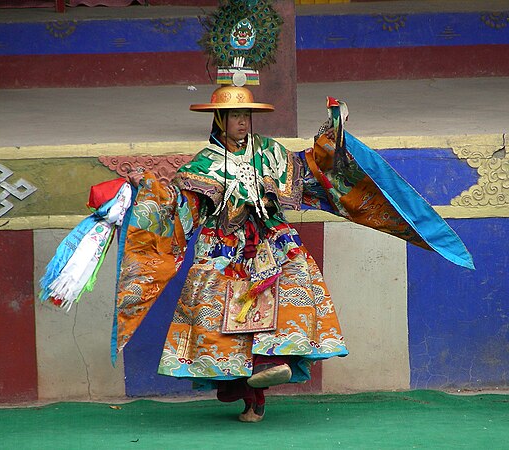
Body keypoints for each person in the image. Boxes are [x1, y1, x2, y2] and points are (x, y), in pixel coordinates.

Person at [118, 85, 473, 423]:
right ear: (219, 119)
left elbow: (310, 170)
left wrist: (331, 136)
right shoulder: (203, 163)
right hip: (225, 249)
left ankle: (278, 364)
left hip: (273, 242)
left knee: (291, 291)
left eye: (245, 114)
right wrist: (149, 189)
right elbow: (182, 204)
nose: (242, 121)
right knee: (220, 317)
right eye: (234, 115)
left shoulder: (271, 153)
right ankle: (250, 399)